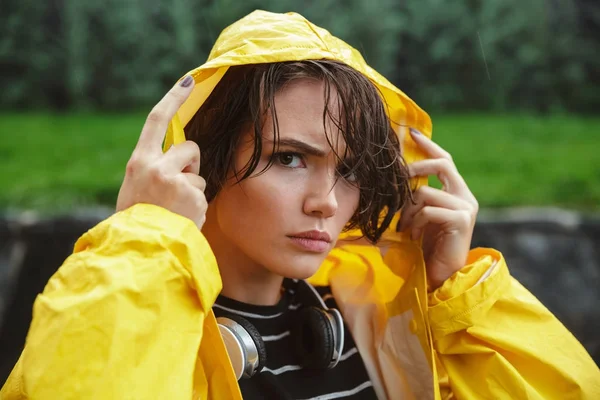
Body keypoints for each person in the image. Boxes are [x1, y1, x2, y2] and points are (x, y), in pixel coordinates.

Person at [2, 9, 599, 400]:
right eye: (289, 157)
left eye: (351, 170)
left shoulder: (383, 312)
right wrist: (143, 241)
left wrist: (454, 300)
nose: (327, 203)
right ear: (197, 157)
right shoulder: (146, 317)